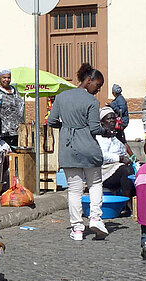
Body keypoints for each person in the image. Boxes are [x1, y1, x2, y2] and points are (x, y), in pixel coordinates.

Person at [47, 63, 110, 241]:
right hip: (88, 147)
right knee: (95, 183)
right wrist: (107, 132)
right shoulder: (91, 101)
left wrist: (66, 126)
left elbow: (52, 121)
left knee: (74, 190)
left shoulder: (61, 97)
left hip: (68, 148)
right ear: (88, 80)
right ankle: (96, 218)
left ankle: (77, 229)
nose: (97, 90)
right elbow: (95, 128)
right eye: (97, 86)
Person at [97, 108, 136, 203]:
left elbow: (123, 151)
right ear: (102, 122)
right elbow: (101, 156)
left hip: (117, 169)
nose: (112, 121)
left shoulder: (115, 137)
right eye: (109, 119)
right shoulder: (99, 138)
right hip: (104, 173)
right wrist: (120, 158)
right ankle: (128, 203)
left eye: (114, 118)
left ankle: (137, 203)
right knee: (126, 171)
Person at [0, 69, 25, 147]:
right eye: (4, 77)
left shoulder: (15, 90)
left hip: (19, 131)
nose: (6, 80)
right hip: (4, 134)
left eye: (8, 77)